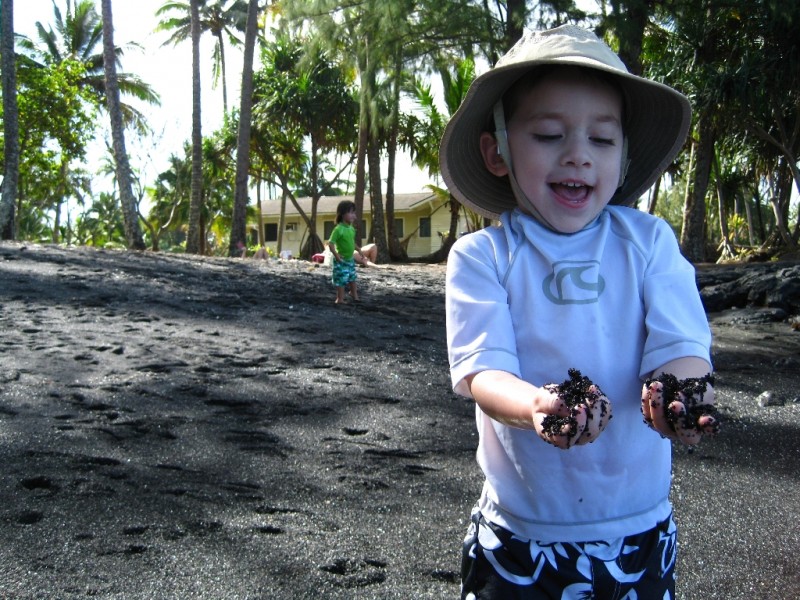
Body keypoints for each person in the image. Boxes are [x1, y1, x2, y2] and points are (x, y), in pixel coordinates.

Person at [439, 25, 719, 599]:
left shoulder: (648, 244)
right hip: (520, 535)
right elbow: (483, 374)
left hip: (636, 530)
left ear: (624, 157)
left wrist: (683, 399)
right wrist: (538, 406)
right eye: (548, 134)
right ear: (496, 151)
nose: (578, 155)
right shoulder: (483, 257)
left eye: (602, 139)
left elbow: (682, 348)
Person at [328, 200, 364, 304]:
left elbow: (351, 242)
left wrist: (359, 249)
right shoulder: (338, 229)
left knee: (352, 278)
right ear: (343, 214)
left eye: (354, 213)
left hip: (350, 259)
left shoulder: (351, 228)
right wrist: (337, 255)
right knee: (341, 280)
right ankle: (340, 298)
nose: (354, 215)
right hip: (341, 260)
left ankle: (354, 294)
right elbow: (330, 244)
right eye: (351, 212)